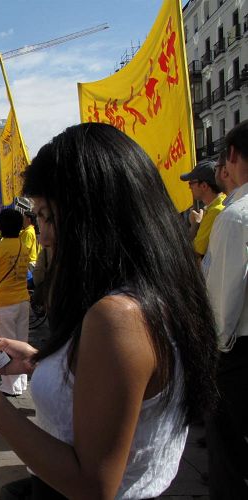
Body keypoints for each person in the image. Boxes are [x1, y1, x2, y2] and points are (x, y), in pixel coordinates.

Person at [0, 123, 218, 499]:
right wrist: (39, 360)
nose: (44, 235)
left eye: (48, 216)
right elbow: (119, 389)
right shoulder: (159, 290)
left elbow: (93, 485)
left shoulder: (117, 317)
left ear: (93, 214)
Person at [203, 120, 248, 499]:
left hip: (238, 351)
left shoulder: (235, 218)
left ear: (232, 156)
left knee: (228, 453)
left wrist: (213, 351)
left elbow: (223, 298)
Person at [0, 208, 30, 396]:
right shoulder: (24, 246)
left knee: (5, 344)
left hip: (4, 302)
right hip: (23, 299)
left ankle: (10, 386)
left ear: (1, 226)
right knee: (21, 342)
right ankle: (21, 383)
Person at [180, 160, 225, 259]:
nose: (189, 187)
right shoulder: (222, 202)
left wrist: (195, 225)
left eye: (191, 183)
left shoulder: (215, 212)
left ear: (204, 186)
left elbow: (194, 253)